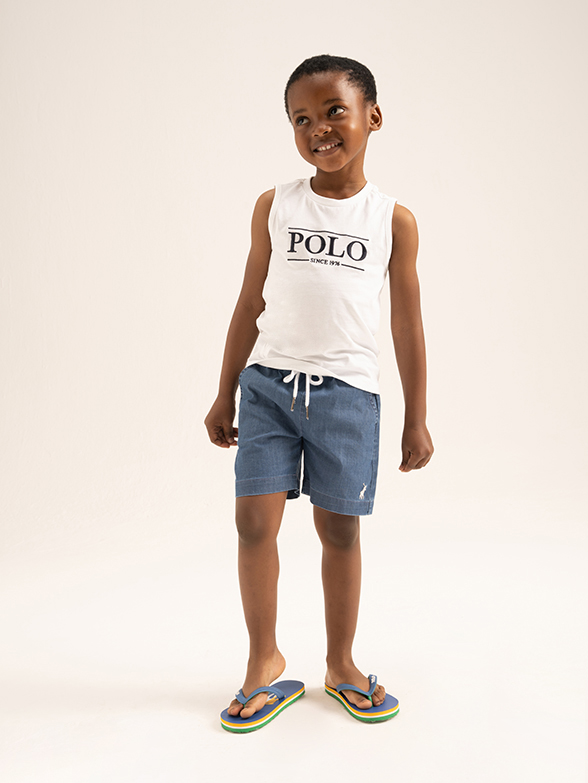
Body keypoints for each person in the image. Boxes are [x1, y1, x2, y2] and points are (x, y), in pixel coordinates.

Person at [204, 54, 434, 732]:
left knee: (339, 529)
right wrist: (224, 391)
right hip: (268, 388)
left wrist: (416, 418)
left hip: (347, 396)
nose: (318, 129)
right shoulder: (275, 205)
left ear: (373, 116)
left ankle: (341, 664)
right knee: (254, 523)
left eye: (334, 111)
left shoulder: (393, 220)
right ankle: (264, 661)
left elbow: (406, 323)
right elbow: (250, 301)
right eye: (301, 119)